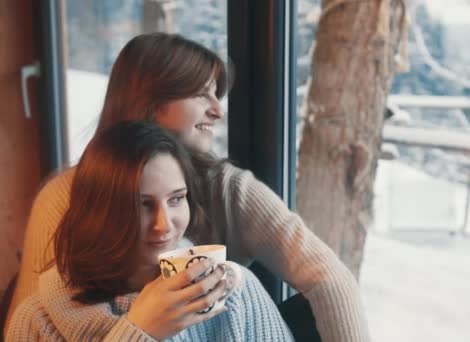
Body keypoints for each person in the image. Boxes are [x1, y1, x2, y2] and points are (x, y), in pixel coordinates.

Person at [7, 32, 370, 342]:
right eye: (201, 94)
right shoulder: (63, 203)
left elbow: (328, 278)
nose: (218, 111)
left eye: (178, 198)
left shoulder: (229, 197)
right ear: (150, 105)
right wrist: (140, 329)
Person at [7, 121, 294, 341]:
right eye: (142, 204)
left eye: (176, 199)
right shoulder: (38, 321)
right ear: (98, 211)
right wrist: (140, 330)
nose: (165, 224)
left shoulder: (232, 290)